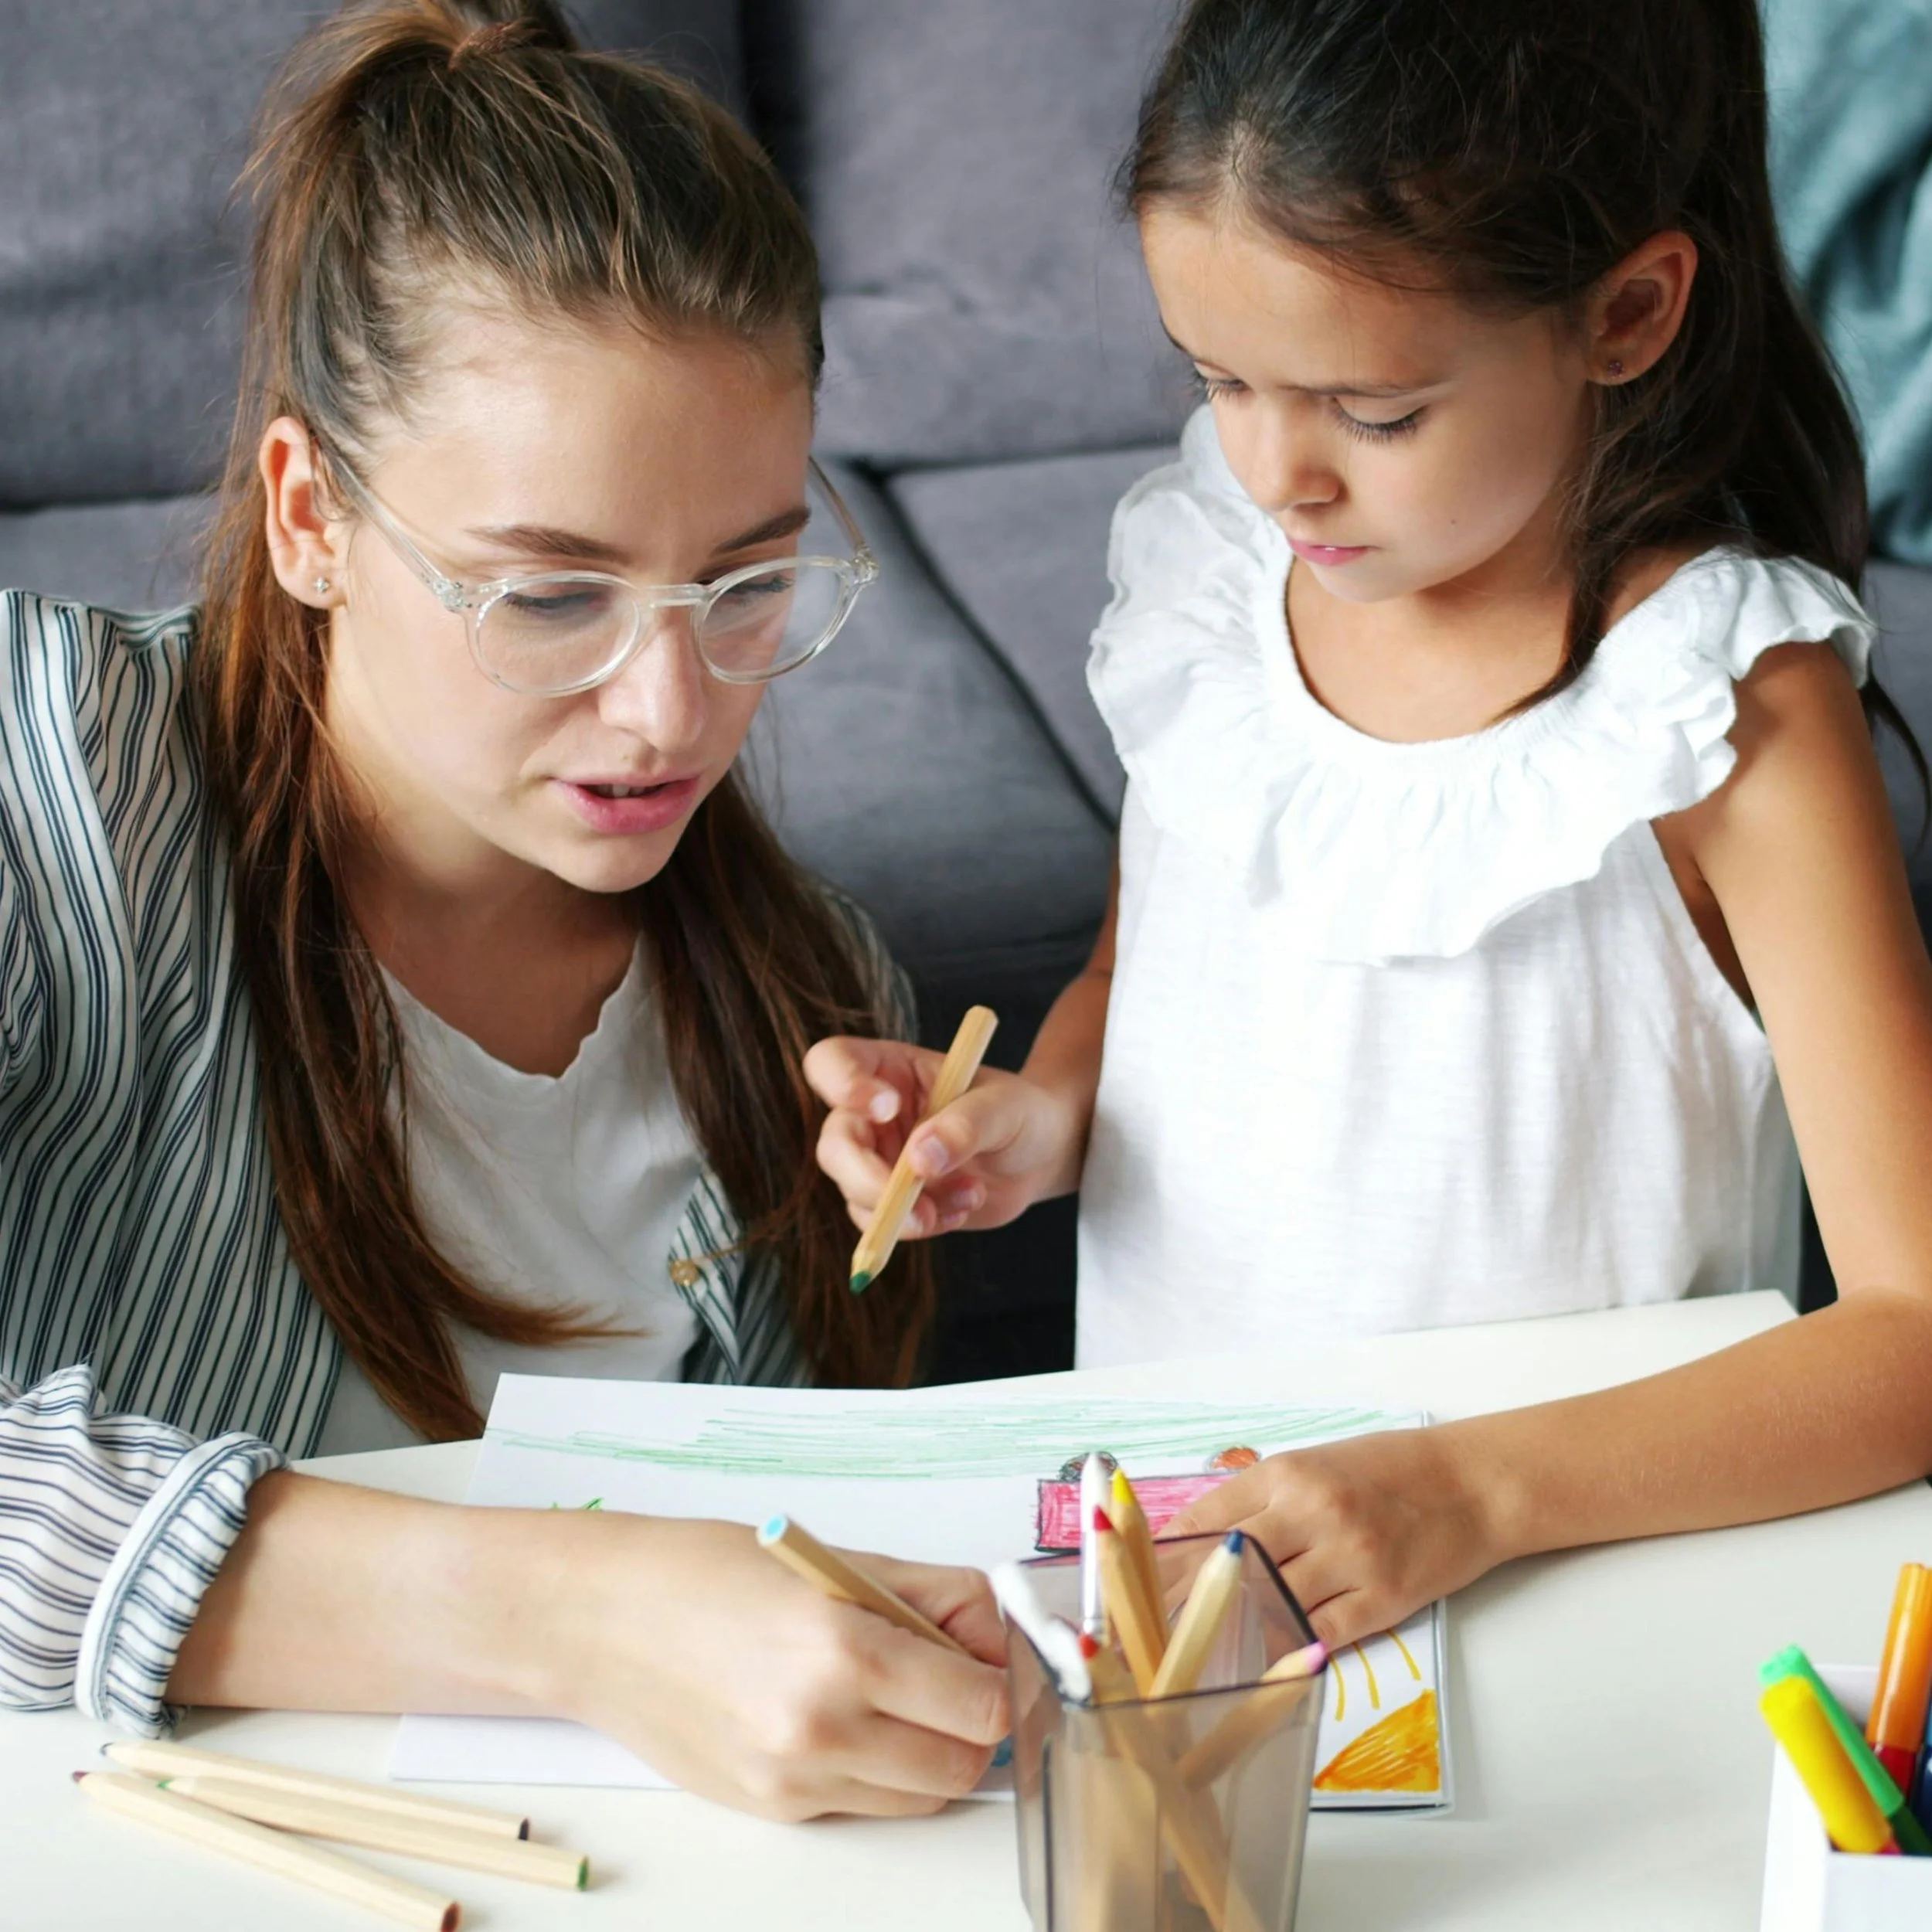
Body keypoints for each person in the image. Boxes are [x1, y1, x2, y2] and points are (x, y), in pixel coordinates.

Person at [809, 0, 1932, 1652]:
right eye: (1217, 378)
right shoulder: (1207, 567)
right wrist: (1035, 1112)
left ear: (1623, 312)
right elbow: (1157, 971)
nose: (1274, 470)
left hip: (1560, 1594)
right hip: (1193, 1588)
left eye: (1373, 411)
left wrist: (1459, 1491)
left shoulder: (1713, 707)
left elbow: (1909, 1331)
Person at [0, 0, 1009, 1821]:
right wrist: (570, 1612)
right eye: (548, 597)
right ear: (311, 516)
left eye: (747, 580)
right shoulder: (51, 787)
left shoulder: (810, 998)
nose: (670, 711)